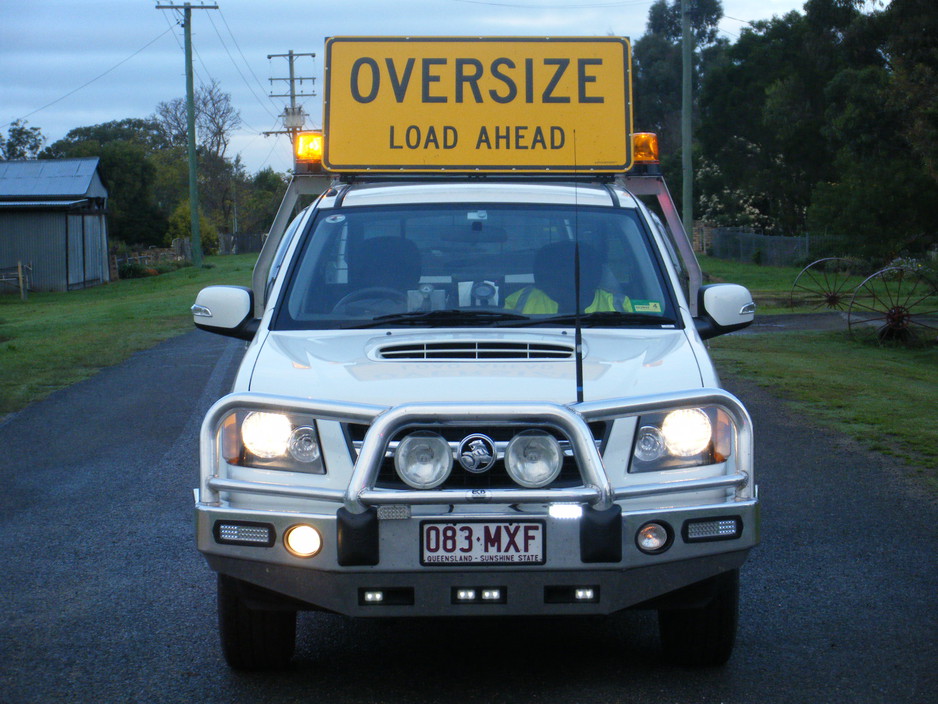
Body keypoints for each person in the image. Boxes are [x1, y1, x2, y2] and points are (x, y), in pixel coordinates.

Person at [504, 241, 632, 314]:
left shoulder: (619, 304)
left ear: (592, 276)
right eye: (553, 272)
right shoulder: (519, 300)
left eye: (568, 273)